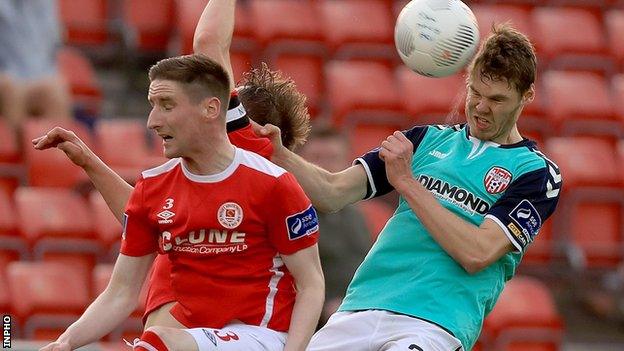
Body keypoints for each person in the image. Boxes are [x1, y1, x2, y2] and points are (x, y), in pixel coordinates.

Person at [256, 24, 563, 351]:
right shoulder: (425, 140)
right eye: (476, 92)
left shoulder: (536, 173)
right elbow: (333, 192)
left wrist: (407, 183)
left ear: (527, 95)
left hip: (432, 324)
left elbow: (477, 252)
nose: (481, 107)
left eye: (497, 99)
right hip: (360, 308)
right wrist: (280, 154)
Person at [33, 0, 314, 343]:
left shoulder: (251, 149)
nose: (152, 120)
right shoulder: (168, 179)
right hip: (183, 318)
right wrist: (89, 162)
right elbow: (147, 214)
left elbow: (208, 43)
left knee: (162, 340)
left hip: (230, 326)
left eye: (166, 105)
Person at [297, 125, 372, 325]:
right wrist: (325, 306)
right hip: (312, 319)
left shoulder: (354, 213)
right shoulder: (291, 214)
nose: (325, 167)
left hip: (356, 311)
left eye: (332, 158)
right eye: (317, 159)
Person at [0, 0, 71, 129]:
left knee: (54, 90)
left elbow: (51, 45)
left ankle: (52, 148)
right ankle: (14, 147)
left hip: (32, 76)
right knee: (9, 88)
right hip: (5, 76)